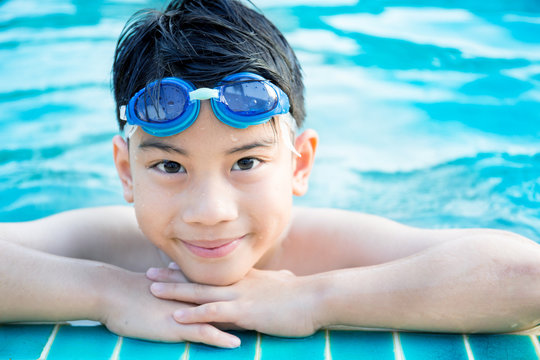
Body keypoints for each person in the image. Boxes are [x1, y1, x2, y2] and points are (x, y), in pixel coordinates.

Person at [1, 0, 540, 349]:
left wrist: (315, 298)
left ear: (299, 164)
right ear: (126, 172)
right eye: (169, 165)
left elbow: (526, 276)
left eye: (246, 162)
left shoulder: (326, 248)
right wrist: (106, 293)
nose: (210, 211)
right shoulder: (112, 247)